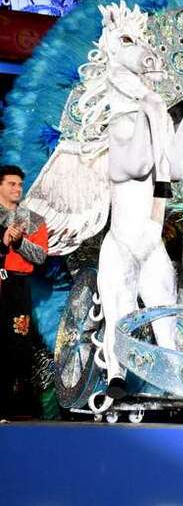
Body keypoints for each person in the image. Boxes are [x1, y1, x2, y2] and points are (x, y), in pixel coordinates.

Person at [0, 165, 48, 419]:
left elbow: (40, 256)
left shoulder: (34, 220)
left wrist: (19, 243)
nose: (17, 189)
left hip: (18, 288)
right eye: (11, 184)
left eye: (20, 184)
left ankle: (17, 408)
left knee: (19, 346)